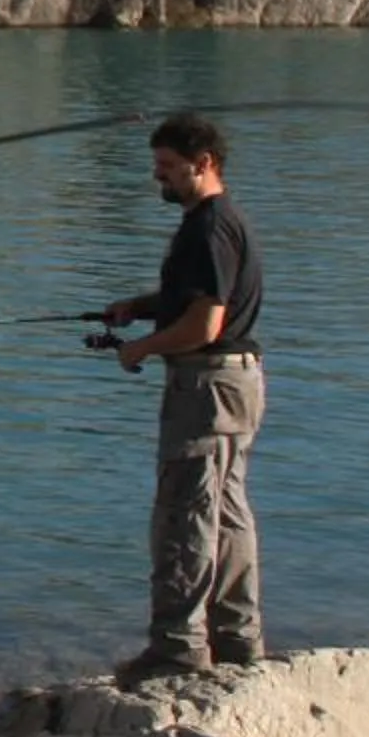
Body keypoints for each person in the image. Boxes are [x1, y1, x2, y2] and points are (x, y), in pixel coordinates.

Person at [101, 111, 267, 688]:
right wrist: (141, 306)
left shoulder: (208, 230)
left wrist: (140, 348)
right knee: (226, 513)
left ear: (204, 164)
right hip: (235, 385)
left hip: (206, 389)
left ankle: (178, 648)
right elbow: (200, 298)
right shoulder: (223, 221)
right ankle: (237, 640)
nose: (159, 177)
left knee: (184, 515)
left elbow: (205, 324)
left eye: (168, 166)